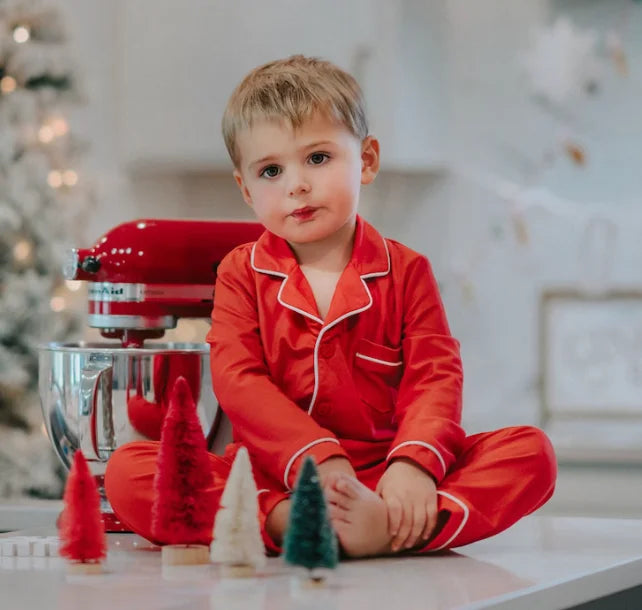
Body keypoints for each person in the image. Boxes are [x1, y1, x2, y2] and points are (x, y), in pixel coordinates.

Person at [105, 55, 556, 557]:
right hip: (272, 476)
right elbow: (239, 381)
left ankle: (385, 522)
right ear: (245, 189)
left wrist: (413, 468)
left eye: (317, 159)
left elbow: (434, 379)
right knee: (129, 472)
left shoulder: (408, 271)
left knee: (531, 454)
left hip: (386, 475)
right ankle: (295, 524)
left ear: (366, 160)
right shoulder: (240, 273)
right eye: (271, 170)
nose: (296, 184)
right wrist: (316, 458)